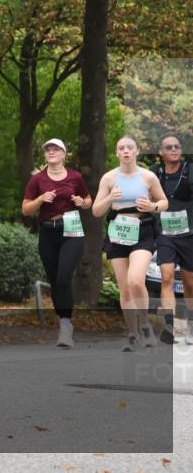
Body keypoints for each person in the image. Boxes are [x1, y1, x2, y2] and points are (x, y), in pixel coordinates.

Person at [92, 136, 169, 351]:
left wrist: (152, 207)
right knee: (125, 289)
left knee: (135, 280)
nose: (126, 151)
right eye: (121, 148)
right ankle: (133, 335)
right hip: (118, 231)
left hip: (142, 230)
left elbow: (164, 202)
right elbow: (96, 211)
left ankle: (144, 324)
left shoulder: (148, 177)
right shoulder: (108, 178)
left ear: (137, 151)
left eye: (129, 147)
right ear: (117, 153)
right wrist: (110, 199)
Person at [21, 138, 92, 348]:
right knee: (54, 280)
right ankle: (63, 320)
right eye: (48, 150)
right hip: (48, 231)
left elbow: (88, 201)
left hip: (71, 229)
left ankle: (65, 325)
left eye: (55, 149)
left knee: (63, 278)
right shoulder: (37, 180)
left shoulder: (75, 176)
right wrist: (40, 199)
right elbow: (25, 209)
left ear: (63, 154)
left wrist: (82, 202)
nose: (51, 152)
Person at [151, 135, 193, 344]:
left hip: (189, 234)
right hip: (165, 233)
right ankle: (170, 326)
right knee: (166, 277)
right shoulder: (154, 172)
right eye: (169, 147)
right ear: (161, 152)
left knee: (189, 282)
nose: (174, 150)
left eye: (177, 146)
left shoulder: (189, 170)